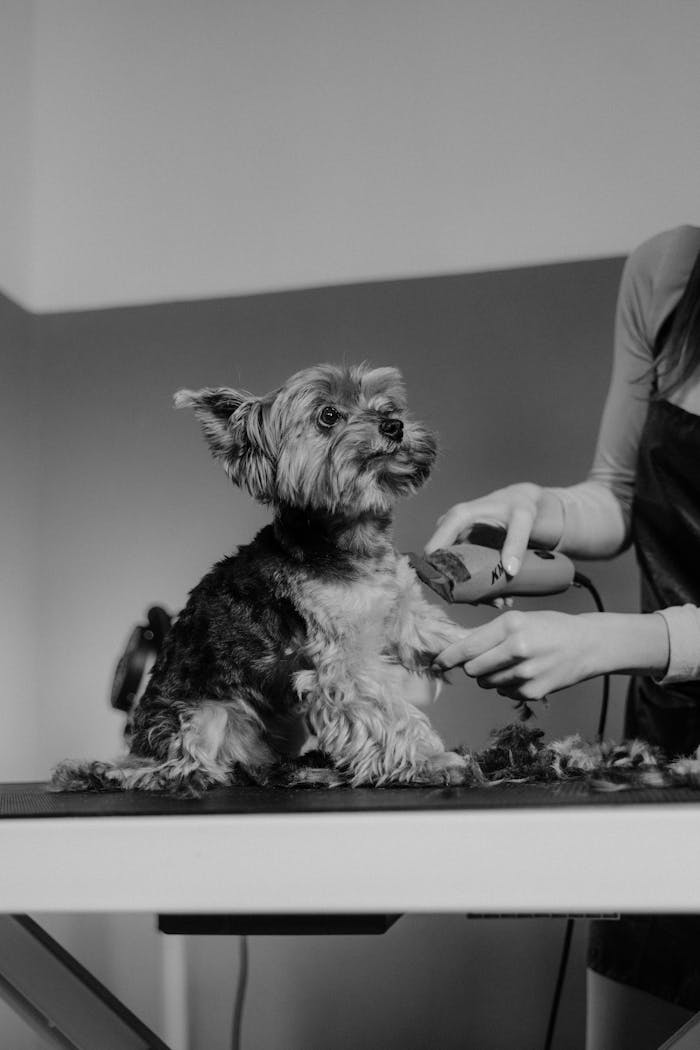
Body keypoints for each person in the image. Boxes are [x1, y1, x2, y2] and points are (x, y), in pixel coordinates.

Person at [426, 225, 700, 1050]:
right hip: (663, 752)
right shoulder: (669, 272)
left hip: (643, 662)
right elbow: (618, 495)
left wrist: (605, 643)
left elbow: (616, 639)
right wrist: (538, 507)